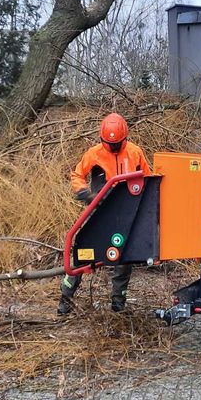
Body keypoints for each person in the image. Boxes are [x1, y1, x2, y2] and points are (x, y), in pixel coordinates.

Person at [59, 112, 152, 315]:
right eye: (110, 144)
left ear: (124, 138)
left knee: (123, 258)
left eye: (117, 143)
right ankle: (65, 298)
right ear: (102, 139)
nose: (113, 147)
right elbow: (77, 175)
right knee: (82, 254)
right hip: (99, 211)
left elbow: (147, 178)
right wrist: (85, 194)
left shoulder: (135, 152)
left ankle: (118, 304)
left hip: (126, 212)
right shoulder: (94, 154)